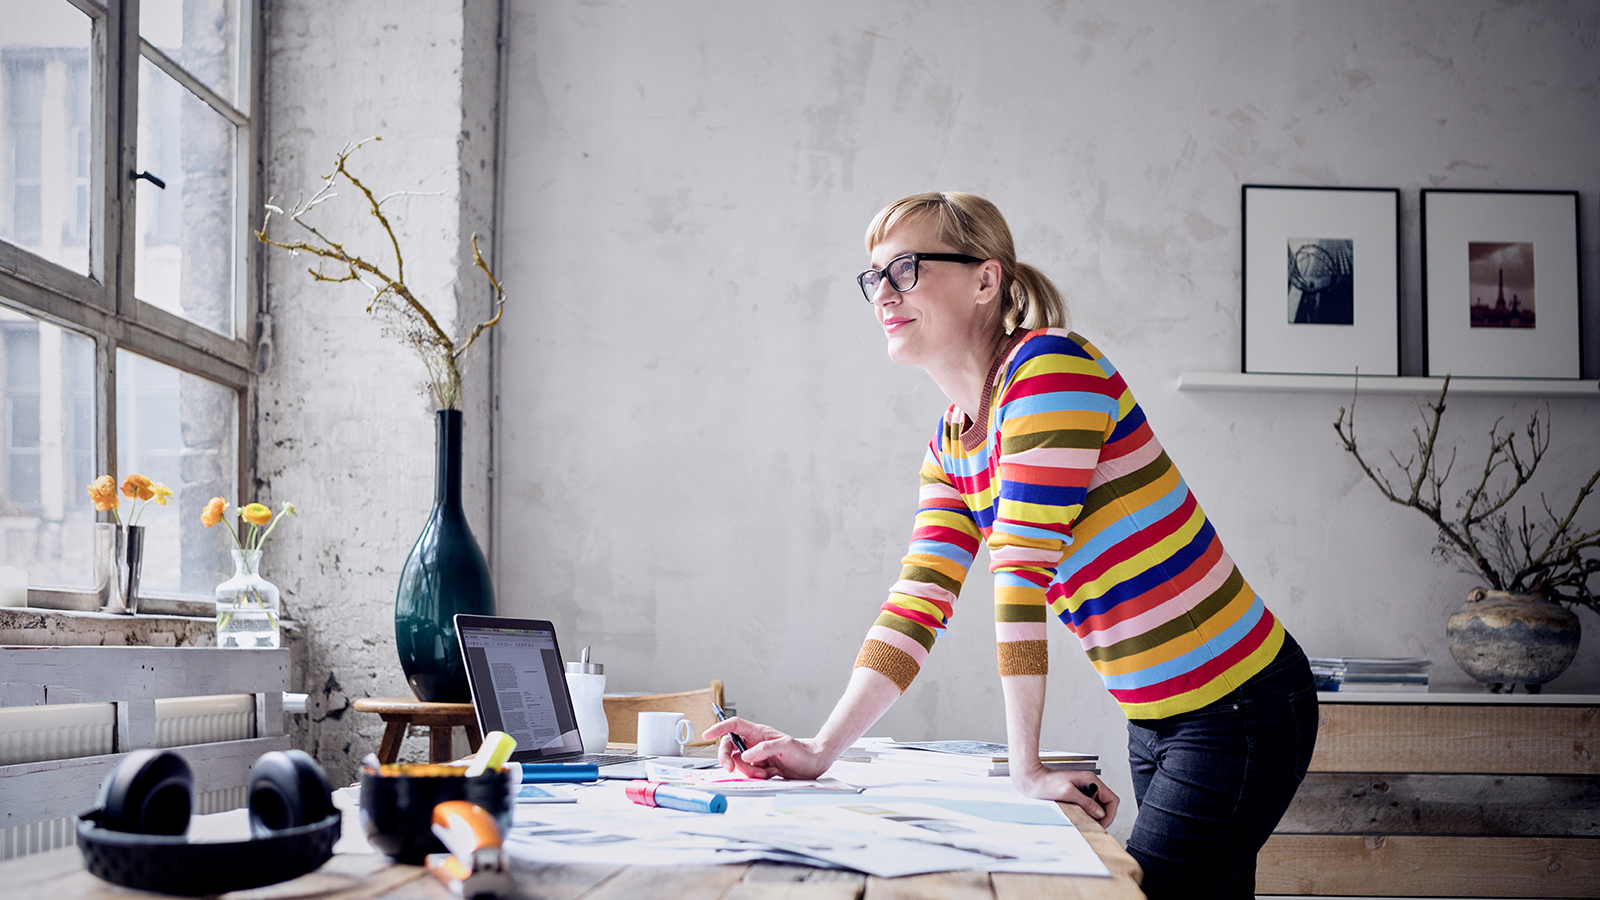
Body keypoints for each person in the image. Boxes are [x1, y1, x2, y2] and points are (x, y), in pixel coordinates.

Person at [702, 191, 1318, 900]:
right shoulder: (950, 443)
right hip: (1156, 719)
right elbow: (917, 605)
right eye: (874, 277)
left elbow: (1021, 573)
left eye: (904, 268)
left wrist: (1027, 768)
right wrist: (817, 750)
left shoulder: (1050, 372)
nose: (884, 294)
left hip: (1240, 707)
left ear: (985, 280)